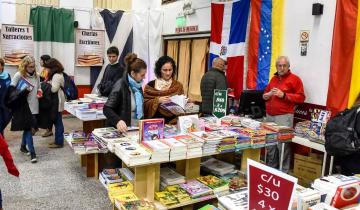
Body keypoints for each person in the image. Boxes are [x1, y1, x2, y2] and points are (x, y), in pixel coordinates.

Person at [263, 56, 305, 173]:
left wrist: (284, 95)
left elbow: (301, 97)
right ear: (276, 66)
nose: (281, 68)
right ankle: (271, 171)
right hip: (270, 116)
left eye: (284, 65)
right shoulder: (274, 79)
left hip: (284, 116)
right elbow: (265, 93)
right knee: (270, 144)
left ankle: (283, 172)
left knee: (282, 145)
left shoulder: (295, 79)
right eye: (279, 65)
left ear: (288, 66)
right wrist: (265, 96)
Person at [103, 53, 147, 133]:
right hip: (122, 131)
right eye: (142, 75)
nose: (144, 77)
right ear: (133, 73)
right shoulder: (120, 85)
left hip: (135, 129)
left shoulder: (138, 85)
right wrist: (118, 121)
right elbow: (107, 109)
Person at [10, 55, 42, 163]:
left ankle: (23, 146)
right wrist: (20, 93)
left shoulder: (37, 76)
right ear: (24, 66)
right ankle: (33, 153)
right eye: (30, 67)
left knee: (28, 129)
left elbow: (39, 88)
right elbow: (11, 91)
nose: (32, 69)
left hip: (34, 105)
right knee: (29, 129)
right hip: (23, 107)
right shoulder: (19, 75)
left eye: (33, 66)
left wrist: (39, 92)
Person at [144, 55, 184, 124]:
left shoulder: (178, 85)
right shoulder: (150, 85)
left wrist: (185, 102)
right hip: (154, 123)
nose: (168, 73)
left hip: (173, 123)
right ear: (159, 70)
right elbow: (144, 105)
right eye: (165, 70)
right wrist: (157, 100)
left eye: (170, 70)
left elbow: (182, 106)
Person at [42, 58, 66, 148]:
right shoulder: (56, 75)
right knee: (57, 121)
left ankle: (59, 142)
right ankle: (57, 140)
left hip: (57, 101)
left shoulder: (56, 76)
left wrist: (45, 84)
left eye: (47, 68)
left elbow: (53, 89)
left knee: (58, 121)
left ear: (52, 67)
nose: (46, 70)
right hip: (55, 100)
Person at [39, 54, 53, 137]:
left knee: (48, 113)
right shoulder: (44, 69)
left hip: (48, 95)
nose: (40, 62)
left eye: (41, 60)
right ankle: (47, 129)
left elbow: (46, 81)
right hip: (43, 93)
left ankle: (49, 130)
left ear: (45, 61)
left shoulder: (49, 70)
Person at [0, 58, 11, 135]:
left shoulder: (7, 75)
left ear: (2, 66)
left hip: (6, 103)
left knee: (6, 119)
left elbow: (10, 87)